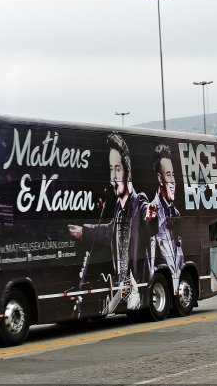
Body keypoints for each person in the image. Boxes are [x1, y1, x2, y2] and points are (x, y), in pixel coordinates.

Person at [68, 132, 157, 311]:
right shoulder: (118, 207)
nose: (114, 177)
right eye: (111, 169)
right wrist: (84, 231)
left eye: (118, 169)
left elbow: (147, 218)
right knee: (106, 310)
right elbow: (109, 231)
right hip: (123, 287)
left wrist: (149, 217)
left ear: (128, 173)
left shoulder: (138, 201)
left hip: (138, 286)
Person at [147, 143, 184, 286]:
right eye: (168, 175)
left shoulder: (176, 214)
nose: (173, 182)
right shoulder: (151, 215)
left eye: (173, 175)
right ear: (160, 178)